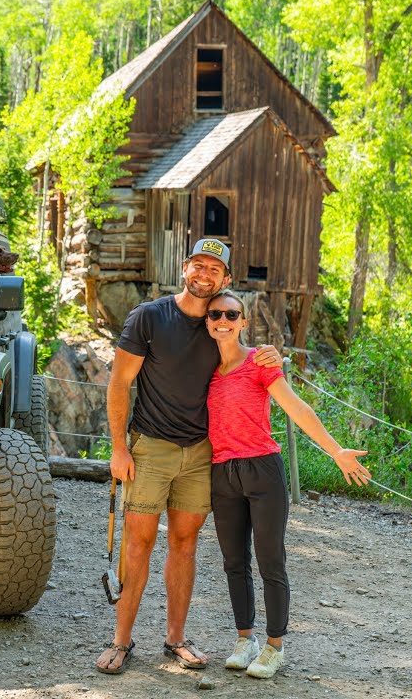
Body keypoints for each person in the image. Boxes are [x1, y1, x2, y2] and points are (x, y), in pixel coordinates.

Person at [95, 239, 281, 675]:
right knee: (137, 542)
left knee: (184, 543)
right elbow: (120, 382)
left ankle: (175, 639)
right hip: (151, 448)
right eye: (198, 265)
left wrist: (274, 355)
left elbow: (246, 361)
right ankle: (120, 641)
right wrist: (119, 447)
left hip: (201, 453)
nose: (204, 275)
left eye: (214, 270)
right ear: (184, 268)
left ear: (226, 279)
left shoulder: (221, 323)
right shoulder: (150, 317)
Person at [203, 289, 371, 679]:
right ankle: (246, 640)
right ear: (208, 322)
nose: (223, 321)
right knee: (233, 561)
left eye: (232, 315)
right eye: (216, 315)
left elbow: (296, 407)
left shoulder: (260, 363)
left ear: (243, 322)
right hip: (223, 472)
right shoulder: (205, 370)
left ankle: (275, 646)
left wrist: (335, 451)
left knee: (270, 559)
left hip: (263, 470)